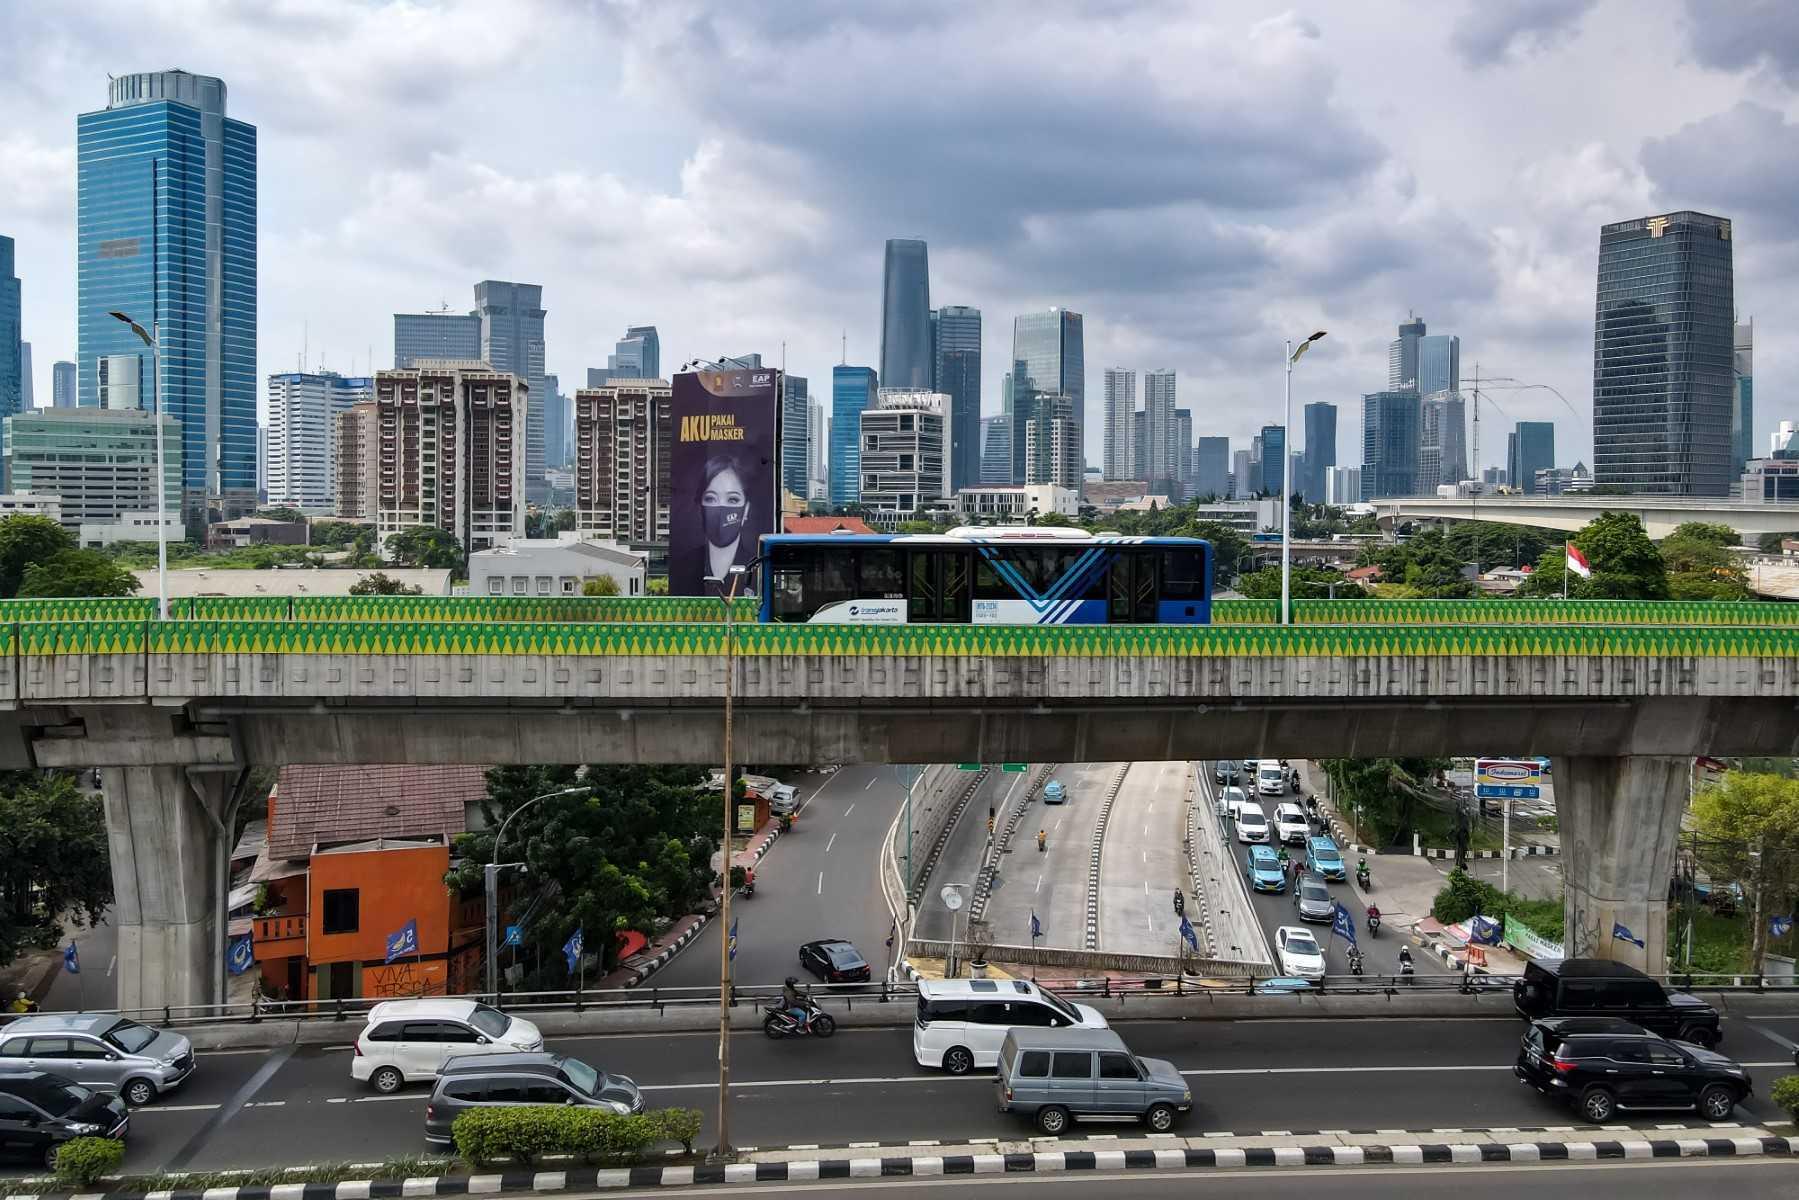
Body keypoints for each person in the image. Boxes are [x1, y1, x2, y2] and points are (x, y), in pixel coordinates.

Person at [698, 454, 756, 587]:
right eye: (710, 498)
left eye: (732, 500)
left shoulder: (757, 566)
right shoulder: (684, 565)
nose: (721, 508)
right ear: (700, 507)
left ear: (746, 510)